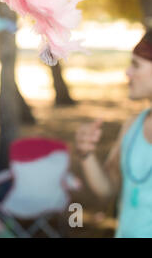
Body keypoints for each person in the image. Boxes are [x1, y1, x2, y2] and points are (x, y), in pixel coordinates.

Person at [75, 30, 152, 237]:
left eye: (136, 65)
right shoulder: (132, 126)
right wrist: (86, 154)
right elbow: (108, 188)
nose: (127, 72)